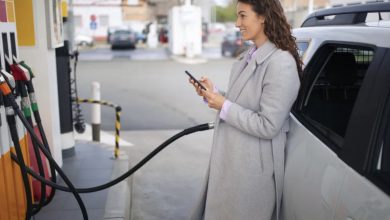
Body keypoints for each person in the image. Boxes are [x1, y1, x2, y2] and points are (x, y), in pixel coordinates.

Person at [188, 0, 302, 219]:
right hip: (233, 162)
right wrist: (213, 93)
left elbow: (268, 125)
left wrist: (223, 104)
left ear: (263, 17)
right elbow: (238, 104)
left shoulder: (281, 63)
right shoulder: (246, 58)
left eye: (242, 16)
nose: (237, 23)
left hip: (251, 172)